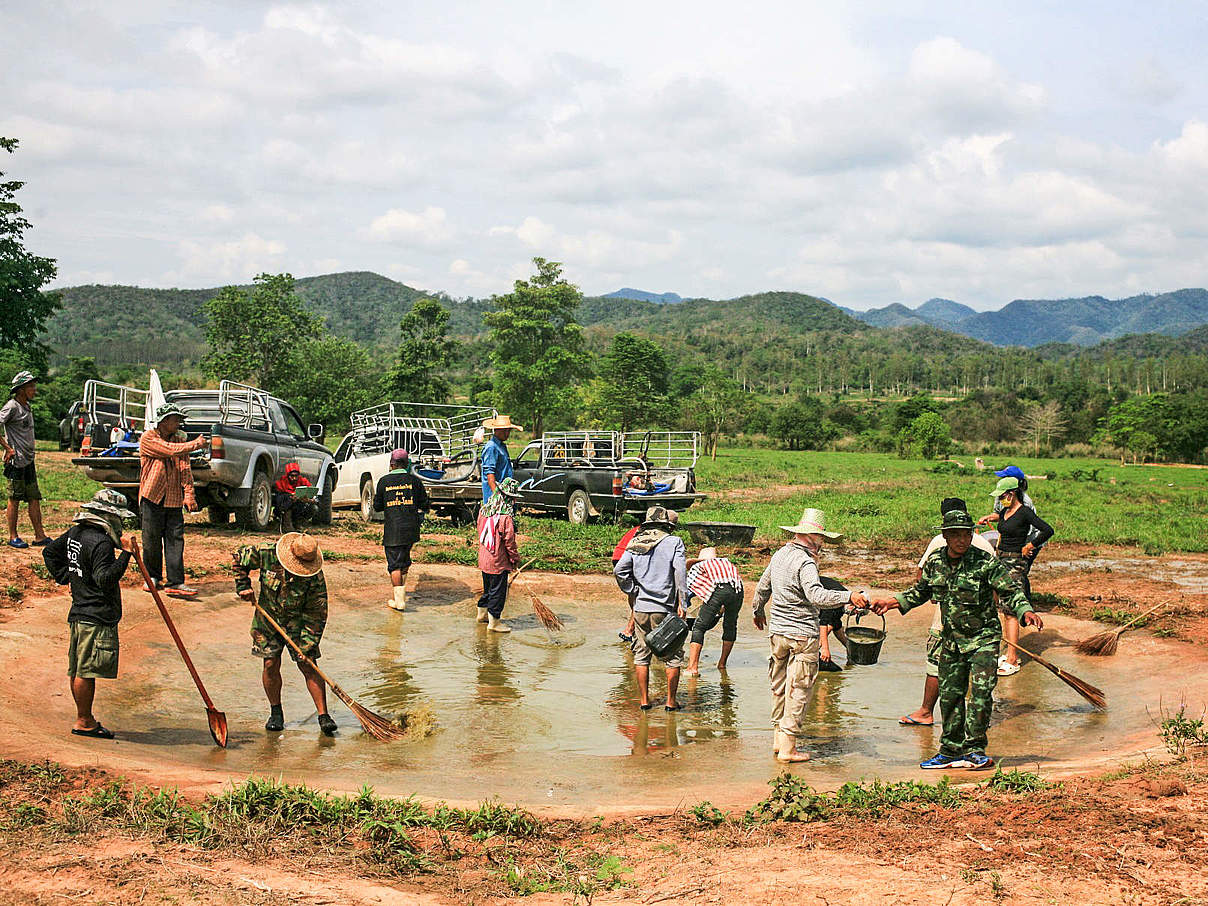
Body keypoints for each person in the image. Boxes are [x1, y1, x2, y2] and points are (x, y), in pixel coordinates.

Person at [870, 509, 1043, 771]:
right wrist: (890, 602)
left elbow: (1011, 591)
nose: (962, 540)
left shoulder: (984, 562)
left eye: (966, 534)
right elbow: (920, 592)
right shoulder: (936, 562)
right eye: (956, 535)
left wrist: (1025, 611)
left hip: (983, 639)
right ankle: (950, 750)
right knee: (950, 696)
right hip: (951, 640)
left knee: (981, 696)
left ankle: (974, 750)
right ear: (946, 536)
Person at [753, 507, 868, 763]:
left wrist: (758, 611)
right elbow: (817, 596)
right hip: (802, 634)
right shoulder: (806, 562)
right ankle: (788, 748)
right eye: (822, 539)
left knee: (778, 686)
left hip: (778, 633)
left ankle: (777, 739)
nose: (823, 544)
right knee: (800, 689)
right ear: (813, 538)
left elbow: (762, 587)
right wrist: (848, 596)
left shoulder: (780, 554)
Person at [42, 489, 137, 739]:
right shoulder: (102, 543)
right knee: (85, 671)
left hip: (79, 611)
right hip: (95, 616)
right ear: (108, 517)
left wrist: (67, 577)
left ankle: (85, 717)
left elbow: (50, 553)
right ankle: (84, 721)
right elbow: (105, 578)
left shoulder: (76, 533)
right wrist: (127, 554)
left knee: (78, 668)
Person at [899, 498, 997, 727]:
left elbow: (921, 579)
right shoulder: (984, 544)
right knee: (978, 673)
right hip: (981, 626)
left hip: (946, 624)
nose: (961, 539)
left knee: (937, 665)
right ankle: (975, 719)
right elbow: (997, 588)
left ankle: (926, 711)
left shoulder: (940, 542)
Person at [234, 532, 337, 736]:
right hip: (268, 619)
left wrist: (308, 644)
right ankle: (276, 713)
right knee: (270, 663)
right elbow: (238, 558)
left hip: (298, 623)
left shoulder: (314, 576)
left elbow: (317, 613)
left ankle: (324, 716)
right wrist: (243, 587)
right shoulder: (265, 553)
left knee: (308, 664)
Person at [613, 505, 688, 711]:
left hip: (641, 608)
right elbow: (680, 574)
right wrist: (684, 602)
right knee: (673, 657)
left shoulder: (636, 542)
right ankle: (671, 703)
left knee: (641, 654)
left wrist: (633, 590)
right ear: (666, 524)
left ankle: (645, 701)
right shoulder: (674, 542)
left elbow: (620, 570)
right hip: (665, 609)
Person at [978, 476, 1054, 676]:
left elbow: (1047, 530)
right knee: (1003, 609)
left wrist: (1030, 545)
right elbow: (1001, 518)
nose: (1000, 500)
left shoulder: (1025, 513)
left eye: (1002, 496)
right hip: (1000, 560)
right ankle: (1010, 651)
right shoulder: (1006, 511)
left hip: (1014, 564)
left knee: (1011, 611)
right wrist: (988, 517)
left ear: (1011, 494)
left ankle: (1012, 658)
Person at [139, 402, 208, 599]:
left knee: (175, 540)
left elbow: (185, 469)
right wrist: (196, 444)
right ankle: (152, 576)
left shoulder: (180, 440)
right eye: (175, 419)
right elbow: (169, 450)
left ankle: (176, 581)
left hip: (173, 499)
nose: (178, 423)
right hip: (152, 496)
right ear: (164, 421)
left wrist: (189, 494)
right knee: (151, 540)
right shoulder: (149, 438)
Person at [373, 449, 429, 612]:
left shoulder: (384, 481)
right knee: (404, 560)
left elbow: (377, 506)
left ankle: (399, 602)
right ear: (407, 464)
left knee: (394, 565)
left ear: (392, 464)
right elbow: (424, 504)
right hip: (411, 529)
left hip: (393, 530)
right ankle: (401, 595)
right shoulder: (414, 481)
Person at [1, 370, 50, 548]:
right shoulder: (11, 406)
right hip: (16, 461)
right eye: (30, 386)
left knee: (34, 497)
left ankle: (40, 535)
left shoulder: (26, 407)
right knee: (14, 498)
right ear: (21, 389)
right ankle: (13, 536)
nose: (34, 390)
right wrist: (8, 448)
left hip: (28, 460)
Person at [682, 547, 744, 675]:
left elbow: (687, 592)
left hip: (720, 591)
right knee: (730, 625)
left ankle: (692, 668)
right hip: (738, 590)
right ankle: (722, 664)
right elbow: (731, 586)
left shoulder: (700, 566)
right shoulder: (726, 563)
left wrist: (682, 609)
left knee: (699, 627)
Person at [476, 476, 521, 632]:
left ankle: (482, 614)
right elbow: (509, 541)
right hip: (498, 561)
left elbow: (480, 531)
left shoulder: (484, 511)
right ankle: (494, 623)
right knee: (498, 592)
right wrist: (515, 558)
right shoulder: (505, 517)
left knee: (488, 588)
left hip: (484, 558)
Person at [480, 415, 521, 502]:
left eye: (508, 431)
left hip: (505, 492)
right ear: (497, 430)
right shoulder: (491, 447)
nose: (507, 434)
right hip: (495, 496)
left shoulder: (501, 446)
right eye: (505, 431)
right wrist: (497, 496)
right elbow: (489, 474)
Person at [272, 461, 315, 533]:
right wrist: (290, 498)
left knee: (313, 508)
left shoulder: (303, 481)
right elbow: (278, 499)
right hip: (285, 506)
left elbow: (310, 491)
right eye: (292, 476)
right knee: (286, 501)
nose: (294, 478)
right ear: (288, 475)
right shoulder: (281, 482)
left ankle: (299, 523)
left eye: (296, 476)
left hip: (299, 506)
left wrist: (308, 499)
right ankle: (286, 524)